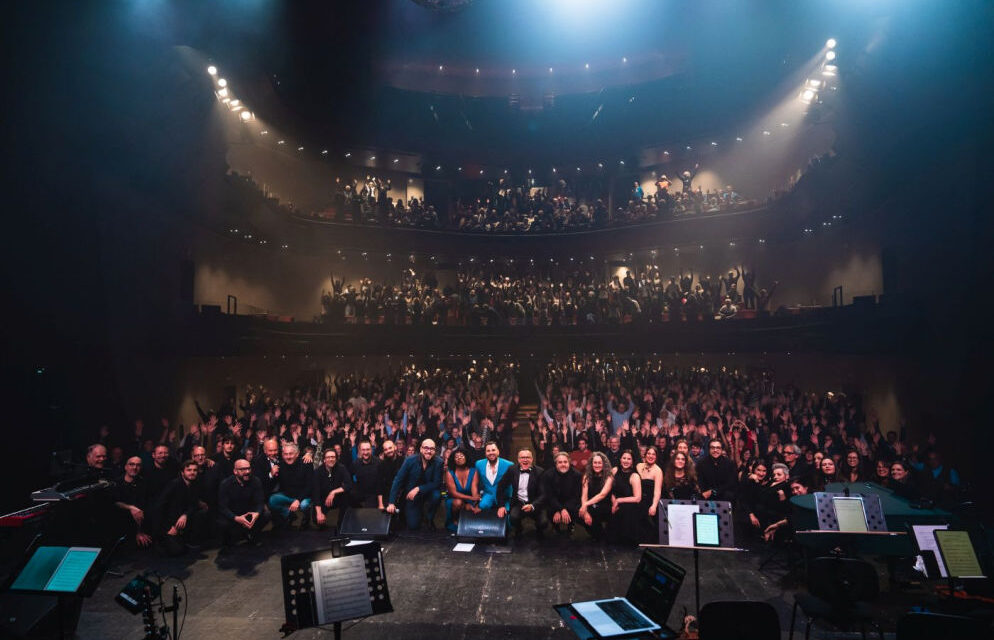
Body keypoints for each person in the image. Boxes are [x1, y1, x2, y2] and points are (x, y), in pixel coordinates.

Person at [387, 439, 443, 531]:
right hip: (412, 496)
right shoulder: (409, 460)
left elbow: (437, 483)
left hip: (428, 492)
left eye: (432, 449)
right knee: (413, 526)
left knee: (437, 495)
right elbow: (398, 480)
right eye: (426, 448)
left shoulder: (439, 462)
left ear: (435, 451)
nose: (429, 451)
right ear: (421, 449)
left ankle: (429, 518)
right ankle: (417, 515)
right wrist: (391, 503)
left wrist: (418, 488)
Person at [151, 460, 202, 556]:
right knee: (176, 551)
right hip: (166, 523)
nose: (192, 472)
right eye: (189, 470)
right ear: (182, 473)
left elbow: (193, 504)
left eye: (195, 470)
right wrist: (169, 528)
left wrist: (185, 515)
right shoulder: (174, 484)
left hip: (180, 519)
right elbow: (160, 507)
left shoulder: (195, 484)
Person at [496, 449, 547, 541]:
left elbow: (544, 494)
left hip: (535, 503)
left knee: (543, 523)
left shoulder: (540, 472)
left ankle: (539, 530)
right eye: (522, 457)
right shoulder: (512, 470)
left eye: (528, 457)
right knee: (513, 518)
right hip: (519, 502)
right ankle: (519, 529)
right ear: (518, 459)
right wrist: (501, 505)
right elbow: (500, 487)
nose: (525, 460)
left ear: (532, 459)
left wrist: (532, 505)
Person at [217, 459, 269, 548]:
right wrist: (235, 518)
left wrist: (257, 513)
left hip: (249, 513)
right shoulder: (226, 484)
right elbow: (222, 507)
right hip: (234, 515)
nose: (247, 472)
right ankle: (230, 539)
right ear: (235, 471)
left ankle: (251, 533)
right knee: (222, 522)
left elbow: (260, 501)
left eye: (249, 468)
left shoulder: (256, 481)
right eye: (243, 469)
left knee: (266, 514)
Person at [268, 443, 313, 529]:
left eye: (291, 454)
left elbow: (309, 486)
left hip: (303, 496)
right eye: (285, 454)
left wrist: (298, 500)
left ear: (297, 454)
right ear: (282, 455)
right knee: (272, 500)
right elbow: (272, 483)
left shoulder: (306, 463)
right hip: (288, 495)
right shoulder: (279, 465)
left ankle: (306, 519)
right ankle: (289, 514)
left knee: (304, 505)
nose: (288, 457)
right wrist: (272, 474)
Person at [111, 456, 152, 548]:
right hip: (120, 522)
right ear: (126, 467)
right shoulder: (116, 483)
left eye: (138, 465)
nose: (134, 467)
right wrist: (130, 507)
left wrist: (140, 531)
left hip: (139, 523)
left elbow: (142, 508)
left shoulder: (144, 483)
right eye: (131, 464)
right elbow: (114, 502)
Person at [542, 452, 582, 536]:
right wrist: (559, 509)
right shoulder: (548, 475)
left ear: (569, 463)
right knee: (549, 509)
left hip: (570, 503)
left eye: (565, 462)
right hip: (554, 503)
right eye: (560, 462)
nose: (563, 464)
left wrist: (564, 509)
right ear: (555, 464)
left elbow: (576, 496)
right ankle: (556, 527)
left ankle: (571, 525)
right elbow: (550, 496)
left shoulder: (577, 475)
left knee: (575, 507)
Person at [607, 451, 642, 546]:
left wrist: (619, 500)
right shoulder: (614, 470)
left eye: (629, 459)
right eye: (624, 458)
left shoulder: (634, 476)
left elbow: (637, 498)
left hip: (629, 505)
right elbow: (609, 489)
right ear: (620, 459)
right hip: (614, 503)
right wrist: (614, 501)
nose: (626, 461)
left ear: (632, 462)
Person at [313, 449, 352, 531]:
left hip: (337, 498)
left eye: (333, 457)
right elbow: (316, 493)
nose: (331, 459)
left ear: (336, 459)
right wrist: (319, 513)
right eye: (328, 457)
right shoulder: (318, 472)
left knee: (347, 495)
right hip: (324, 499)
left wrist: (333, 492)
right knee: (317, 520)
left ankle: (341, 524)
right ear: (324, 460)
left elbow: (349, 484)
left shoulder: (341, 468)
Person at [444, 447, 480, 533]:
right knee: (458, 502)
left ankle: (466, 525)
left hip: (469, 500)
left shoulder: (473, 471)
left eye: (461, 455)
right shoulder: (450, 472)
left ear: (466, 457)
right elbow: (453, 493)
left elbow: (474, 490)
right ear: (453, 460)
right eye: (456, 457)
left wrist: (475, 503)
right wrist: (471, 498)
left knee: (469, 507)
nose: (459, 458)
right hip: (454, 500)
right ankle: (454, 522)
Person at [579, 452, 613, 541]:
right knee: (579, 512)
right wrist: (585, 510)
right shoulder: (586, 476)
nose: (597, 465)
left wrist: (585, 505)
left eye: (599, 463)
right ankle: (598, 534)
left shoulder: (609, 477)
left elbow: (602, 495)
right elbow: (584, 495)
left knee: (594, 511)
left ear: (604, 464)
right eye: (595, 463)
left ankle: (601, 535)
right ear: (591, 464)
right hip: (590, 504)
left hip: (604, 504)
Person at [635, 446, 663, 543]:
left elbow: (657, 491)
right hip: (638, 499)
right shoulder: (638, 466)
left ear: (656, 456)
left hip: (651, 500)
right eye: (649, 453)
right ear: (645, 455)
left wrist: (654, 506)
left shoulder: (658, 470)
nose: (651, 456)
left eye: (653, 454)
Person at [475, 441, 513, 512]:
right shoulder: (479, 464)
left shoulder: (509, 465)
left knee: (507, 513)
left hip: (504, 496)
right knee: (482, 507)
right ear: (485, 453)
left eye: (493, 450)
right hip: (488, 494)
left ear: (498, 451)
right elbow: (477, 482)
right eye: (488, 451)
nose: (491, 453)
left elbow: (512, 485)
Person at [698, 438, 738, 502]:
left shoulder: (730, 464)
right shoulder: (701, 464)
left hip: (724, 495)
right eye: (712, 448)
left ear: (721, 450)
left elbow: (731, 483)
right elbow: (700, 482)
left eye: (718, 448)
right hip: (707, 496)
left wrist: (714, 491)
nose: (715, 450)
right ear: (709, 449)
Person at [350, 440, 381, 508]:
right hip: (360, 493)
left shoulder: (378, 463)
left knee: (368, 514)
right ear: (360, 451)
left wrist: (380, 503)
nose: (365, 452)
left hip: (373, 494)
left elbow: (380, 483)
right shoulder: (356, 463)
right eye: (363, 450)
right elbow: (350, 478)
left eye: (368, 449)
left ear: (371, 450)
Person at [377, 439, 403, 510]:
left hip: (402, 495)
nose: (388, 451)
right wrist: (380, 504)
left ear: (395, 447)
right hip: (387, 495)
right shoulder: (381, 465)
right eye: (386, 449)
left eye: (390, 448)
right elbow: (379, 485)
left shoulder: (404, 461)